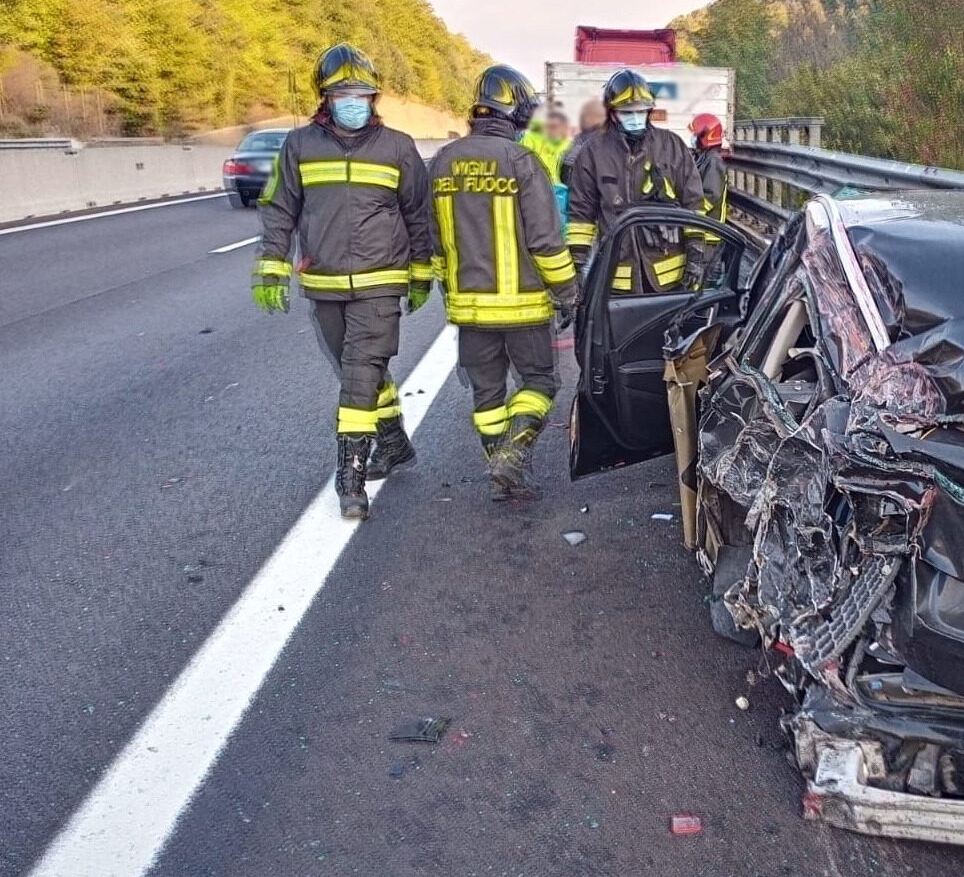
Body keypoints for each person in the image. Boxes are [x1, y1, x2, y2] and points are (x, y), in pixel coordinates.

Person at [252, 43, 433, 520]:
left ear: (374, 97)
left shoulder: (398, 147)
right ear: (325, 97)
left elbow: (419, 214)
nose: (353, 100)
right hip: (325, 282)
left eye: (361, 92)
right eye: (342, 92)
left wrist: (420, 272)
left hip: (381, 281)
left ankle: (349, 480)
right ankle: (394, 444)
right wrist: (272, 263)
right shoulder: (299, 146)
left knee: (357, 376)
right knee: (358, 372)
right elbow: (280, 209)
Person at [429, 65, 578, 500]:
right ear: (515, 112)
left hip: (468, 309)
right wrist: (567, 293)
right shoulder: (521, 162)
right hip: (523, 307)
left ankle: (500, 469)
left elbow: (432, 238)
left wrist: (445, 286)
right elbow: (548, 243)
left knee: (488, 392)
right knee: (539, 383)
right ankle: (512, 456)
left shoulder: (443, 161)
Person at [565, 70, 705, 293]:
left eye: (641, 111)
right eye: (627, 112)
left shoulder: (672, 146)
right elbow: (580, 217)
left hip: (670, 283)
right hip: (618, 283)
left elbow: (694, 205)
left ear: (649, 111)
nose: (635, 118)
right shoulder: (593, 153)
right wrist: (577, 268)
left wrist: (696, 257)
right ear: (612, 114)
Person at [689, 112, 729, 287]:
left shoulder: (713, 162)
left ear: (706, 136)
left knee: (702, 283)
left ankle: (702, 314)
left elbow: (710, 195)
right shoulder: (705, 158)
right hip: (704, 230)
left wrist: (691, 213)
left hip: (709, 233)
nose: (693, 138)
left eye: (696, 135)